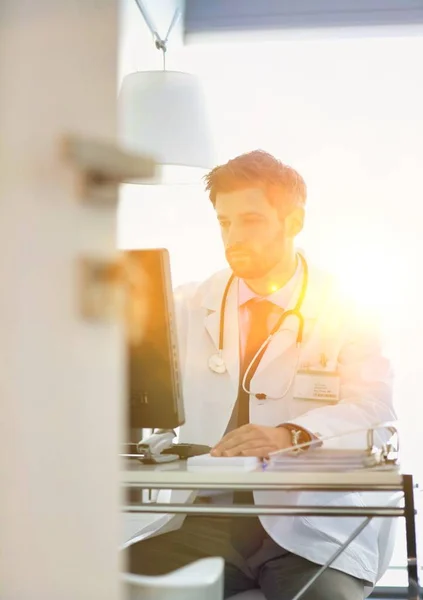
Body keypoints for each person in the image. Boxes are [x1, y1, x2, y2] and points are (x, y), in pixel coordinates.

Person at [127, 150, 395, 599]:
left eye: (250, 220)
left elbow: (374, 410)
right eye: (224, 222)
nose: (233, 237)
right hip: (207, 523)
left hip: (308, 529)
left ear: (293, 222)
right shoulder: (187, 304)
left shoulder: (346, 308)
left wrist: (290, 434)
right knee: (96, 581)